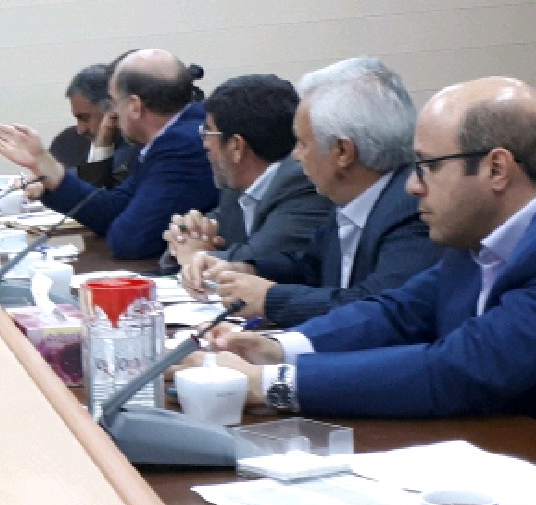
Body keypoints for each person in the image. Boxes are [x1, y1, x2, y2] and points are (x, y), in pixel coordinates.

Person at [205, 76, 536, 418]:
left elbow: (459, 370)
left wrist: (268, 383)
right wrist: (276, 349)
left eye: (429, 167)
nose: (412, 186)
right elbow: (399, 313)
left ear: (496, 169)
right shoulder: (471, 243)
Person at [185, 58, 442, 325]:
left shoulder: (410, 208)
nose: (296, 156)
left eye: (302, 144)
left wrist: (270, 298)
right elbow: (310, 268)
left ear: (343, 152)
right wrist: (246, 268)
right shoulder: (352, 198)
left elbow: (379, 308)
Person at [0, 49, 218, 259]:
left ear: (134, 106)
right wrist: (47, 168)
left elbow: (129, 240)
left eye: (115, 102)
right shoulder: (169, 136)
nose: (112, 113)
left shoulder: (182, 145)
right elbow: (113, 208)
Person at [166, 74, 330, 269]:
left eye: (208, 132)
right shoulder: (235, 185)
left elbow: (261, 260)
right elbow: (200, 237)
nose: (205, 143)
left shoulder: (302, 183)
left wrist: (195, 255)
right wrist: (185, 233)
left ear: (236, 146)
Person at [49, 61, 134, 189]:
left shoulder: (136, 151)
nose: (80, 130)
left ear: (112, 109)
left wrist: (102, 145)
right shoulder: (66, 141)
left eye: (84, 118)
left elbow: (99, 196)